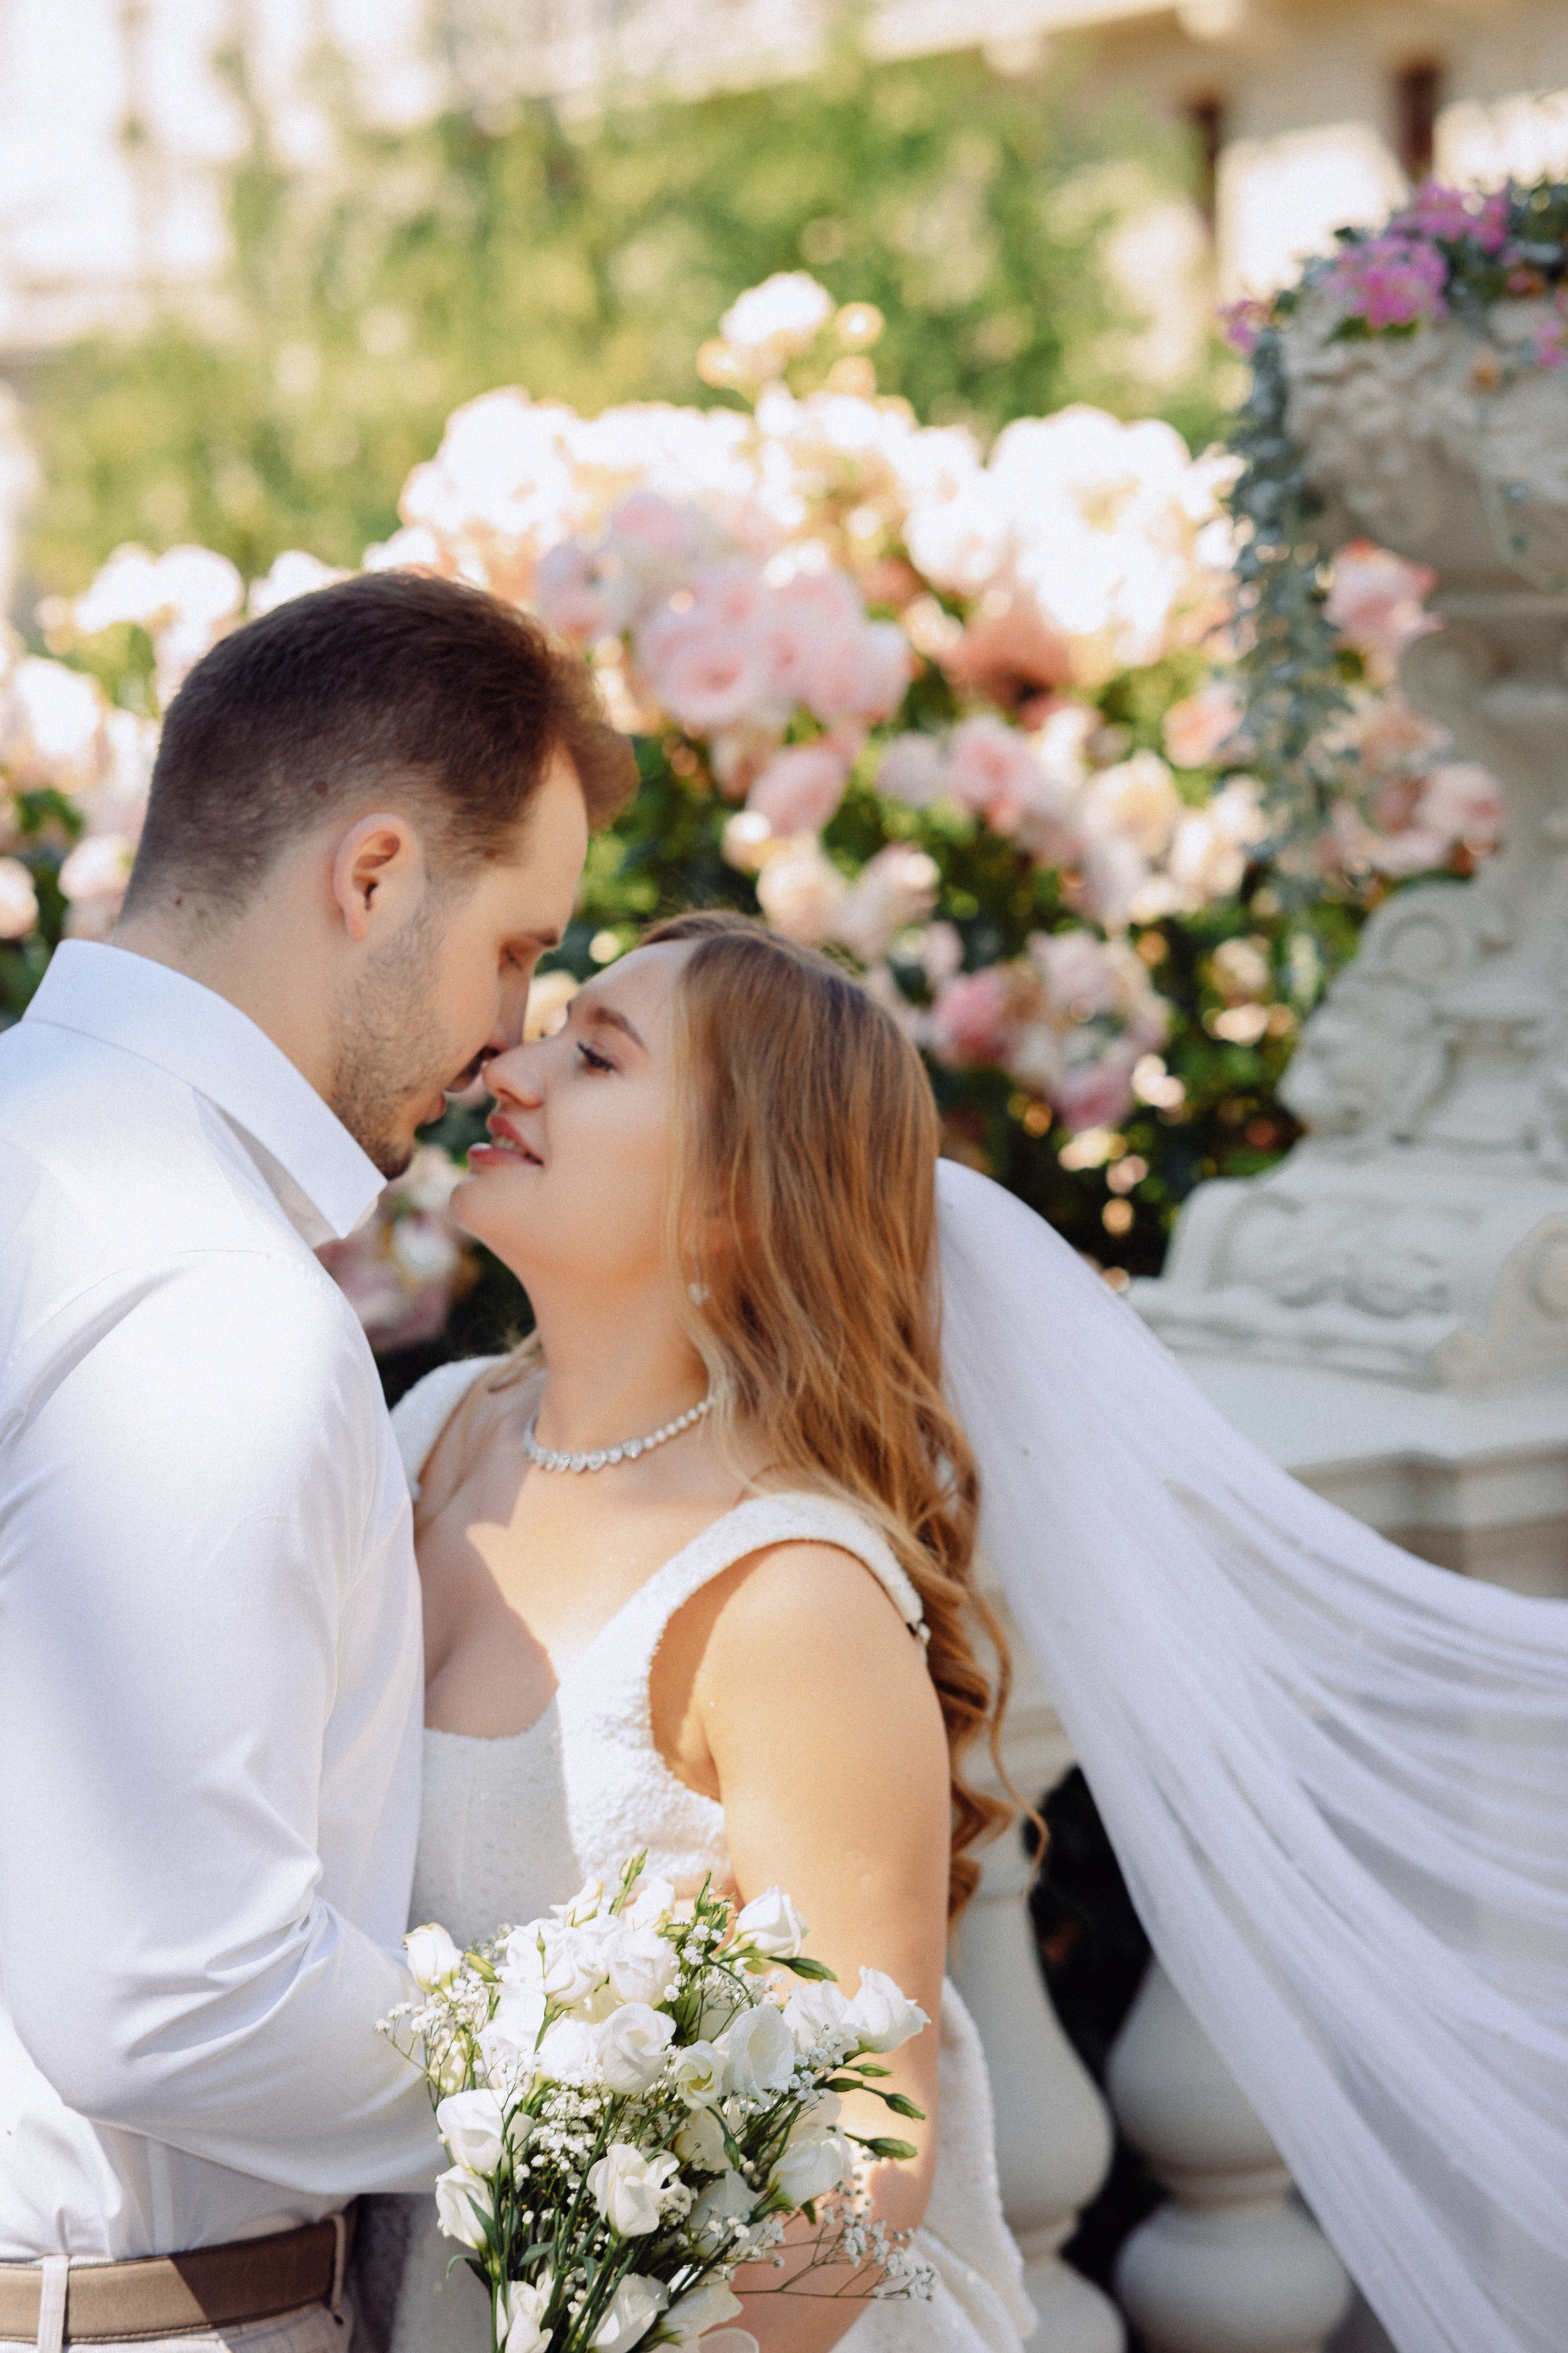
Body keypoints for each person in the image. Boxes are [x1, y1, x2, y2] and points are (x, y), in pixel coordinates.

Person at [0, 572, 634, 2353]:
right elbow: (171, 1996)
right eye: (514, 945)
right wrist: (644, 2104)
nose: (513, 1032)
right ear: (373, 876)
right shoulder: (202, 1292)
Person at [377, 912, 1036, 2353]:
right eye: (548, 1028)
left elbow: (870, 2158)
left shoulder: (786, 1592)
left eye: (594, 1056)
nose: (514, 1068)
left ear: (734, 1196)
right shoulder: (429, 1438)